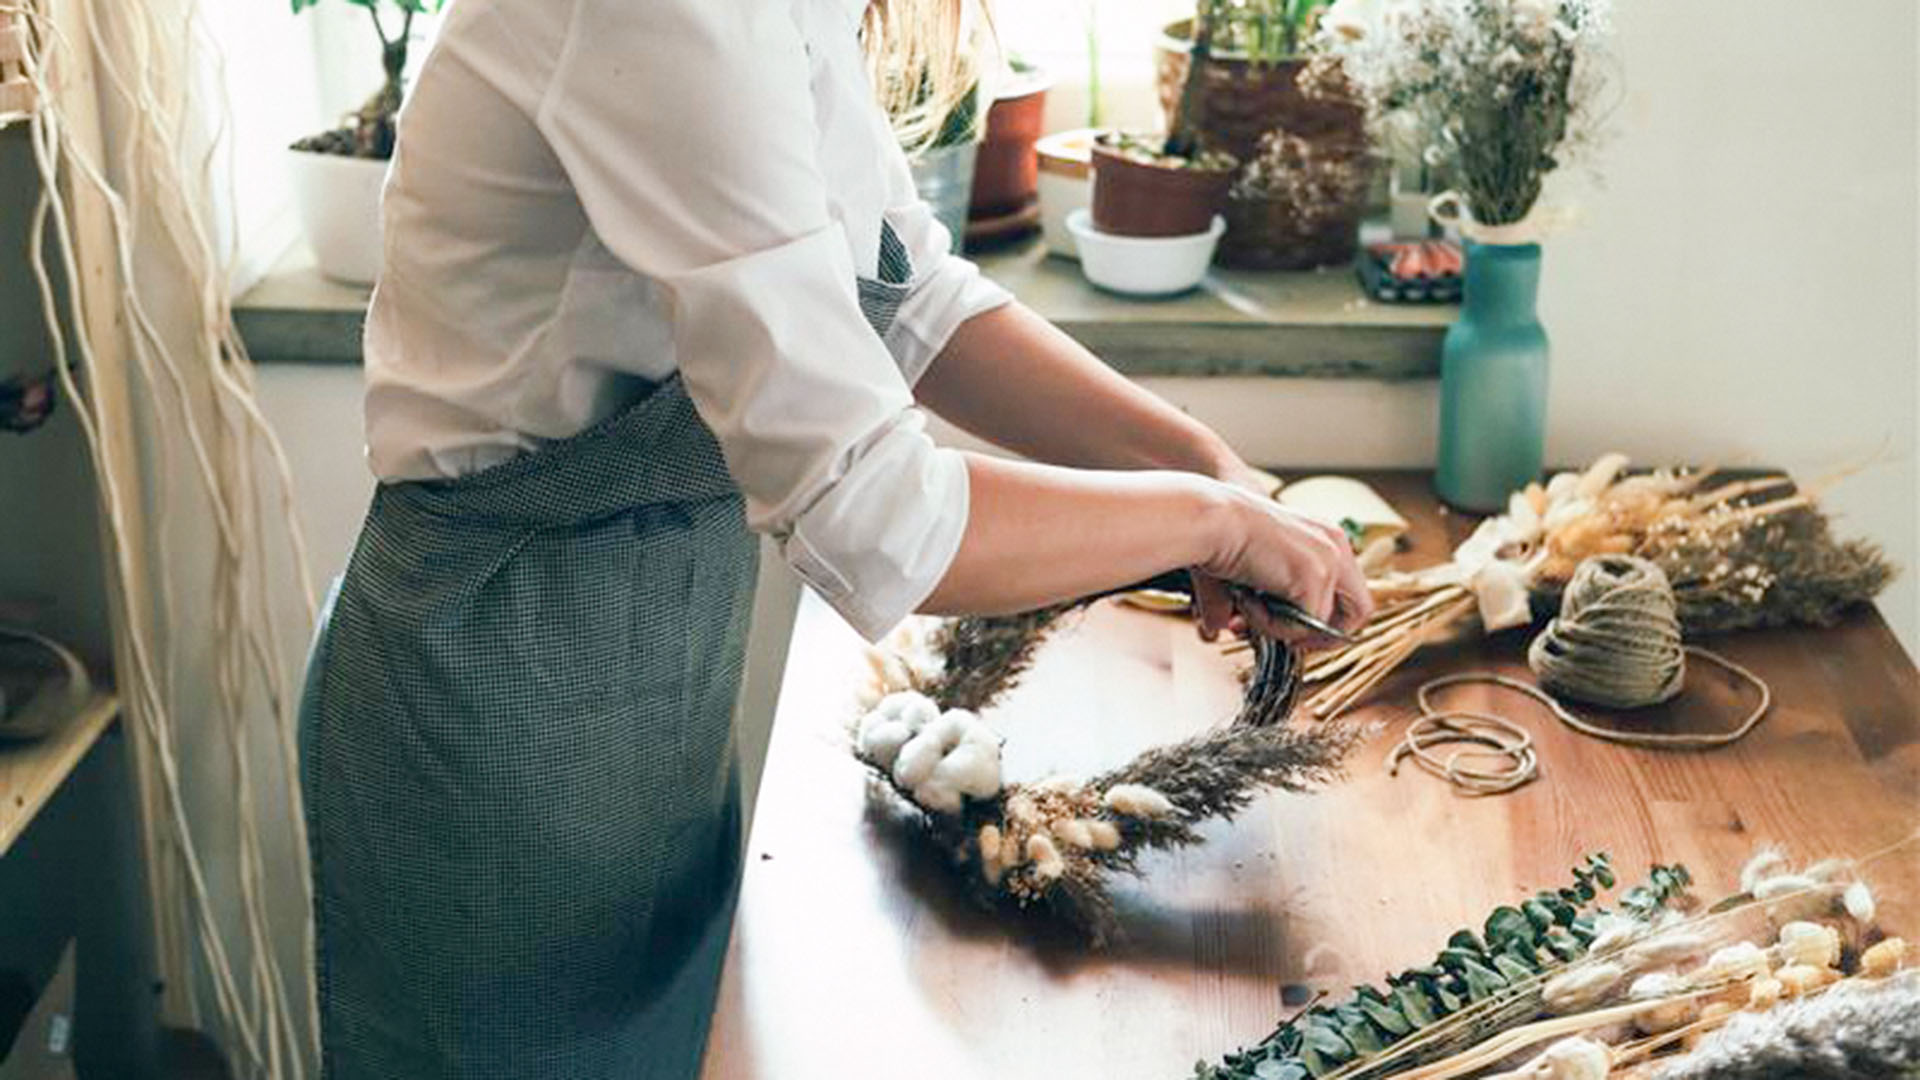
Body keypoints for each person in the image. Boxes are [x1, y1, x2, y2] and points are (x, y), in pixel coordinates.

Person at [296, 0, 1372, 1076]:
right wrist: (1210, 525)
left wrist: (1198, 466)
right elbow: (878, 515)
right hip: (493, 719)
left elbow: (907, 300)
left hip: (652, 696)